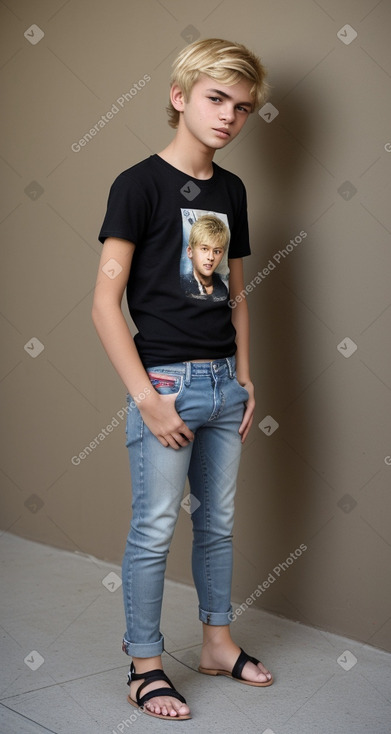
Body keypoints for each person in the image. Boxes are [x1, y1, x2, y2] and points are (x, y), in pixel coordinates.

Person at [92, 37, 273, 721]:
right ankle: (143, 665)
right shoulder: (136, 184)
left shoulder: (231, 190)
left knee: (218, 524)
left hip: (225, 385)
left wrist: (246, 378)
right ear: (180, 98)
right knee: (155, 525)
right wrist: (147, 398)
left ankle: (216, 644)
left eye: (244, 107)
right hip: (164, 384)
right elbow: (104, 303)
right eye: (216, 98)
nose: (229, 115)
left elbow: (236, 295)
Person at [181, 214, 229, 300]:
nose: (211, 257)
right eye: (204, 249)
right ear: (190, 252)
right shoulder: (182, 285)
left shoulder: (223, 289)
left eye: (217, 251)